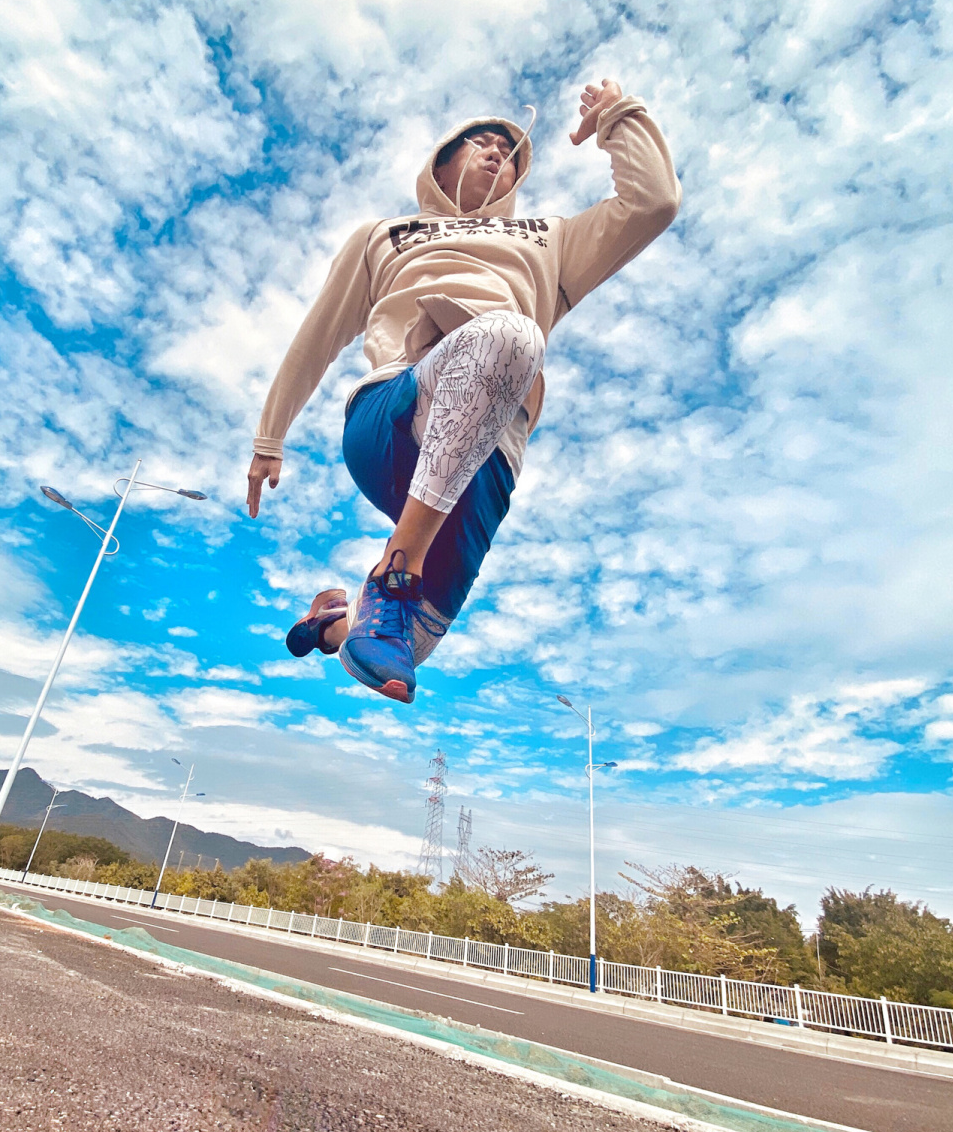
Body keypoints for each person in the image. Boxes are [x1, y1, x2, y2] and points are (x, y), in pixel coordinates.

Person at [247, 78, 681, 703]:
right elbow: (317, 334)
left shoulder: (551, 240)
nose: (497, 151)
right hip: (395, 410)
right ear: (442, 159)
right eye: (481, 141)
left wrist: (617, 115)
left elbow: (653, 204)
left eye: (509, 152)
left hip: (491, 449)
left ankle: (331, 623)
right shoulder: (386, 235)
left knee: (396, 654)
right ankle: (396, 574)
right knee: (510, 336)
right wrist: (270, 436)